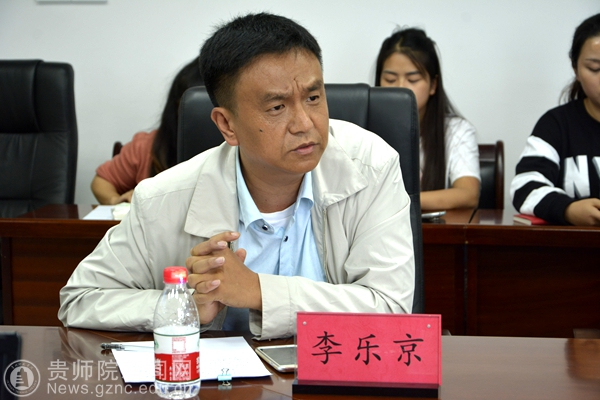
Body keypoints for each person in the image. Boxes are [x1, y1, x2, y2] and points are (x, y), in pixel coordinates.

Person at [59, 13, 415, 340]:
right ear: (227, 125)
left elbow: (392, 308)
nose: (305, 123)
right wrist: (183, 306)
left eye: (313, 97)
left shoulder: (372, 168)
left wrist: (258, 292)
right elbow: (80, 299)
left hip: (334, 372)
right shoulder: (163, 198)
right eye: (277, 107)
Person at [375, 28, 480, 211]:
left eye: (413, 80)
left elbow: (468, 194)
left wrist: (397, 201)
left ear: (433, 85)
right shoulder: (365, 129)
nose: (401, 88)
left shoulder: (456, 131)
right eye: (390, 80)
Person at [511, 14, 600, 226]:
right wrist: (567, 210)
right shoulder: (556, 125)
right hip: (574, 244)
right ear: (576, 69)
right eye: (595, 69)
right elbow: (524, 186)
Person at [91, 57, 204, 205]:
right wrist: (116, 200)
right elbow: (101, 182)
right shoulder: (148, 146)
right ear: (178, 106)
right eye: (196, 107)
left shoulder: (233, 148)